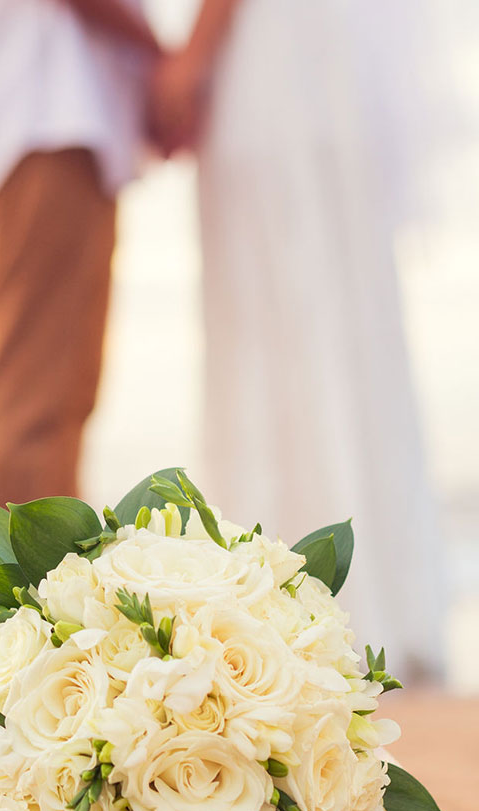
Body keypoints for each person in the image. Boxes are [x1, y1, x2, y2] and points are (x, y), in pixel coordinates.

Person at [148, 0, 445, 680]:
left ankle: (285, 619)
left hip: (272, 70)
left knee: (271, 327)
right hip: (323, 66)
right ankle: (378, 603)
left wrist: (192, 57)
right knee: (340, 327)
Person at [0, 0, 159, 508]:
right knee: (37, 404)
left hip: (47, 113)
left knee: (46, 396)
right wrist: (162, 60)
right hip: (49, 112)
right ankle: (18, 588)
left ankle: (11, 583)